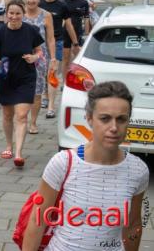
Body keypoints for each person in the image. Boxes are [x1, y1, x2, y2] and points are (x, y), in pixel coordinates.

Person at [23, 81, 149, 251]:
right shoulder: (63, 163)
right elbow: (37, 221)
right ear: (89, 119)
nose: (113, 127)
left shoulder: (138, 171)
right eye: (105, 119)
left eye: (121, 119)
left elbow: (133, 225)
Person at [0, 0, 44, 167]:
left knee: (21, 115)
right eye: (11, 13)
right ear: (7, 14)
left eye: (17, 13)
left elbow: (40, 52)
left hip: (26, 78)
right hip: (5, 78)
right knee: (7, 114)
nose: (14, 16)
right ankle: (8, 145)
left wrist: (34, 57)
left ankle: (18, 153)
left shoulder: (31, 31)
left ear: (23, 14)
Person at [39, 0, 80, 118]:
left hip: (57, 42)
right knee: (43, 71)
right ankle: (44, 95)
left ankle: (51, 105)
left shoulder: (62, 5)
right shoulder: (38, 3)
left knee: (52, 72)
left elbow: (68, 25)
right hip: (40, 43)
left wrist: (75, 43)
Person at [22, 0, 56, 135]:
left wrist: (53, 58)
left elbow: (50, 39)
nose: (31, 0)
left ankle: (33, 122)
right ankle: (21, 119)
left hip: (40, 59)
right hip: (20, 58)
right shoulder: (19, 14)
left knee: (37, 92)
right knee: (21, 91)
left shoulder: (46, 15)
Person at [62, 0, 89, 79]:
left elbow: (86, 19)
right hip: (66, 33)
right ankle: (65, 81)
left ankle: (78, 78)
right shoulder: (63, 3)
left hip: (78, 32)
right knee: (66, 58)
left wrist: (87, 34)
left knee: (78, 59)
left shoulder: (83, 3)